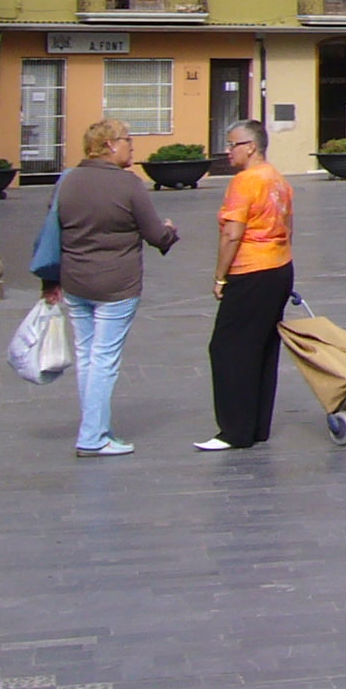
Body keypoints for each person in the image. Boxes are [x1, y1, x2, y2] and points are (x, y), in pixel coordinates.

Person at [50, 117, 179, 457]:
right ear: (109, 145)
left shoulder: (67, 181)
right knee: (104, 358)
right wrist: (170, 231)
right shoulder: (129, 185)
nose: (132, 147)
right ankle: (92, 436)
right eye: (127, 140)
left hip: (75, 280)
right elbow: (155, 235)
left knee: (87, 356)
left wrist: (50, 280)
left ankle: (96, 427)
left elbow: (53, 230)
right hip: (117, 284)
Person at [198, 120, 295, 452]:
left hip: (251, 270)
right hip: (279, 267)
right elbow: (288, 226)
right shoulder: (277, 179)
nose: (228, 151)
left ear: (251, 147)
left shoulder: (246, 181)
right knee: (262, 346)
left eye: (233, 145)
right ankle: (256, 426)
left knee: (227, 348)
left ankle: (234, 430)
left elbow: (232, 234)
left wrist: (220, 276)